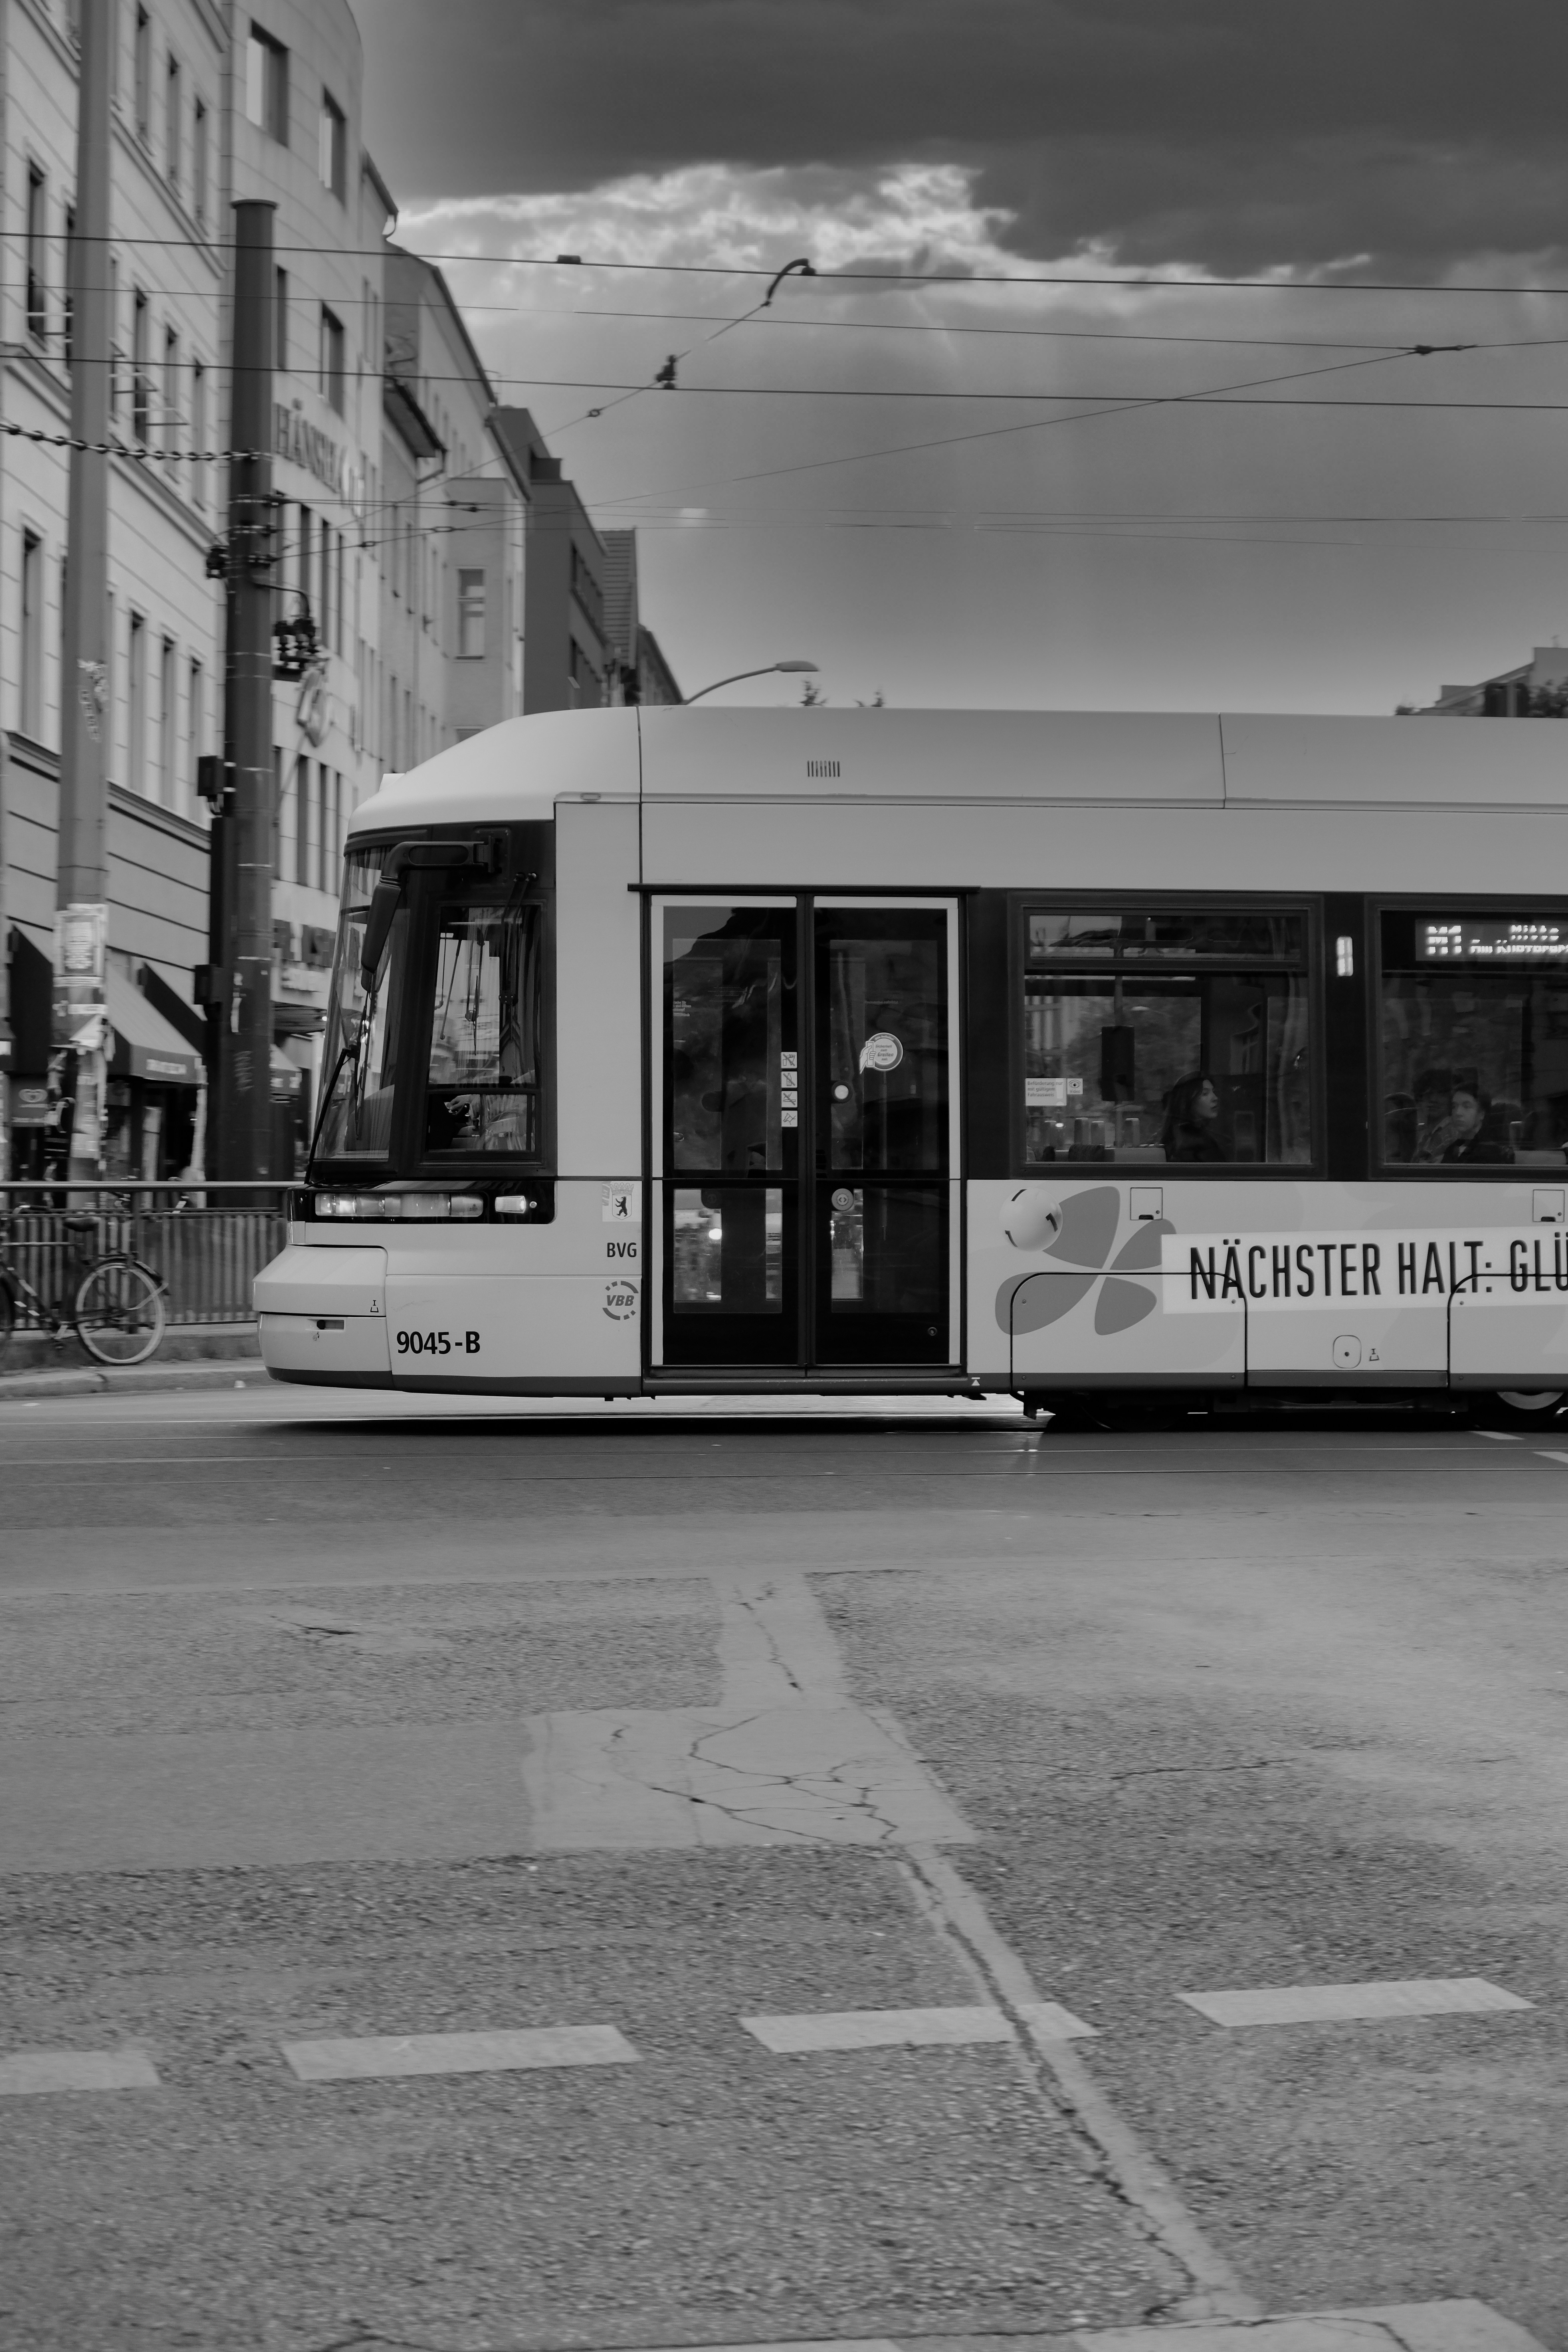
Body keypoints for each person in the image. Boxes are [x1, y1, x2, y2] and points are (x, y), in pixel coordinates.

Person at [1440, 1082, 1514, 1165]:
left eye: (1467, 1107)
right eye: (1454, 1107)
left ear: (1482, 1114)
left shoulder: (1490, 1151)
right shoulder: (1452, 1149)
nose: (1458, 1113)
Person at [1160, 1071, 1226, 1162]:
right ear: (1187, 1101)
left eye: (1214, 1092)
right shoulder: (1195, 1143)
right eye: (1205, 1094)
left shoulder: (1177, 1134)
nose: (1215, 1098)